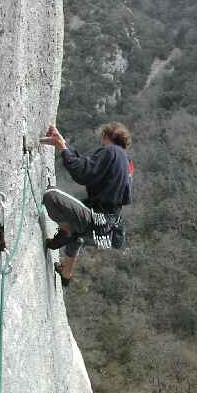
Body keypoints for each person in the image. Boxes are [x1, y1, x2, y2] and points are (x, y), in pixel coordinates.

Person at [39, 122, 133, 287]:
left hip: (95, 220)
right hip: (106, 228)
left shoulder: (110, 151)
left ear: (106, 136)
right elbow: (124, 197)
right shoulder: (126, 163)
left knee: (50, 195)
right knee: (78, 227)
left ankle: (68, 230)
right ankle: (66, 273)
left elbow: (83, 172)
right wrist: (65, 147)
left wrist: (61, 147)